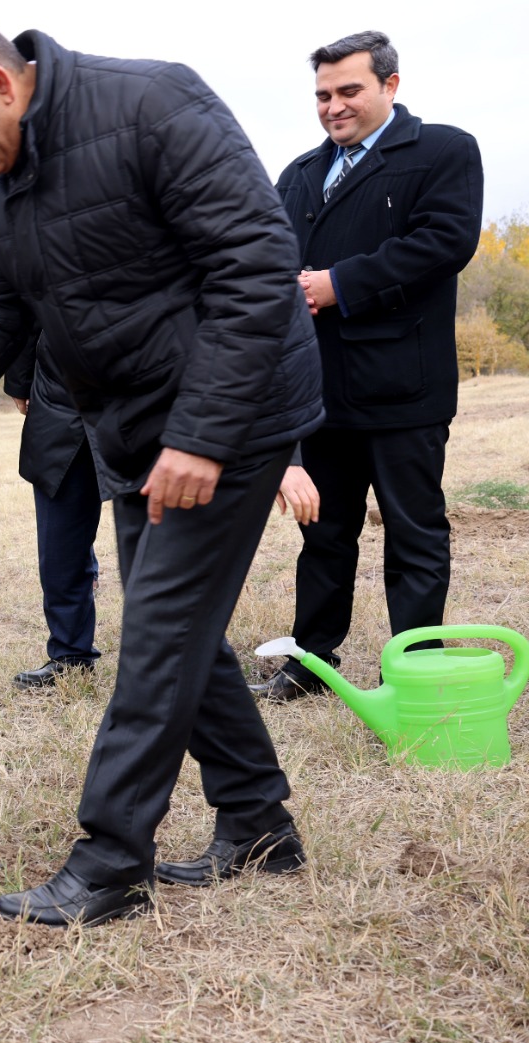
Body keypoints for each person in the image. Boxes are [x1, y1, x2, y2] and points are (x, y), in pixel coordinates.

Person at [0, 16, 324, 925]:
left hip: (236, 410)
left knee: (158, 631)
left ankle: (110, 862)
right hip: (138, 425)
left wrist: (203, 435)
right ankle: (258, 822)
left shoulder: (153, 103)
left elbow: (258, 267)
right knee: (174, 624)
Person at [253, 31, 484, 702]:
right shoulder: (299, 173)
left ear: (390, 85)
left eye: (349, 90)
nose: (334, 106)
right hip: (321, 391)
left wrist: (337, 284)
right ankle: (310, 665)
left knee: (414, 534)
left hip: (404, 387)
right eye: (323, 95)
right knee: (324, 534)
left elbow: (445, 241)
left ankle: (414, 673)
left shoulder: (444, 150)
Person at [4, 339, 104, 688]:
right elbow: (22, 314)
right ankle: (71, 655)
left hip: (143, 398)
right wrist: (20, 381)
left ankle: (180, 656)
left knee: (163, 542)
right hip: (59, 399)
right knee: (60, 543)